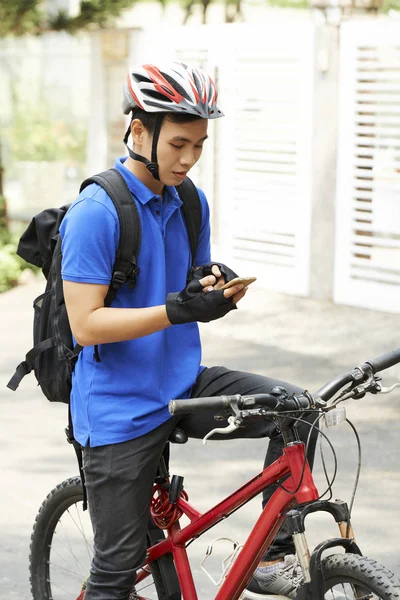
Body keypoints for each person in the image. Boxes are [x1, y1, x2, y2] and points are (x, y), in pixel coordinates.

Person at [61, 60, 318, 600]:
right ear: (138, 129)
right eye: (179, 143)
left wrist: (210, 288)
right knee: (115, 571)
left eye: (199, 145)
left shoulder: (189, 199)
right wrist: (178, 310)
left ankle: (270, 555)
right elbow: (85, 324)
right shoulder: (95, 211)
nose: (189, 158)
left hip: (181, 383)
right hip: (118, 409)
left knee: (296, 409)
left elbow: (182, 283)